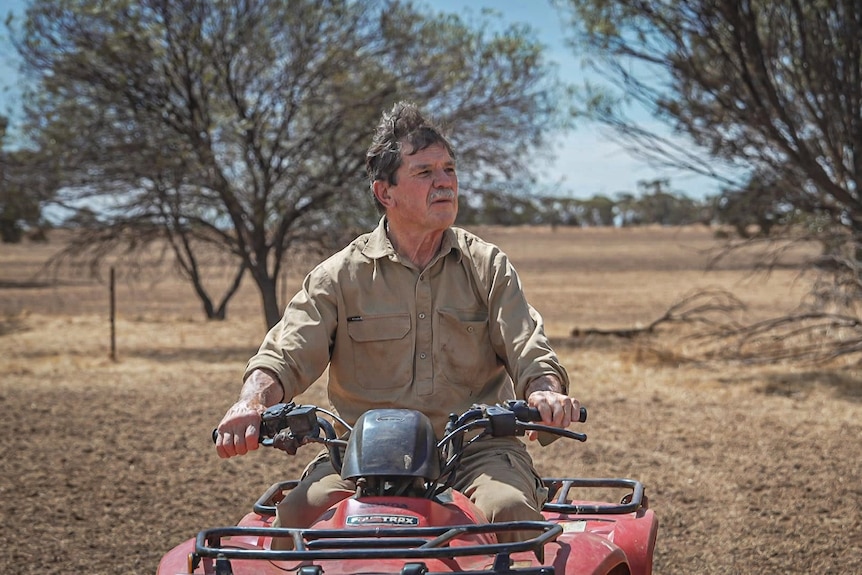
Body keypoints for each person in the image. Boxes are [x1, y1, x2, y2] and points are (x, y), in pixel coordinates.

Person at [214, 101, 580, 544]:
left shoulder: (487, 266)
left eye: (448, 169)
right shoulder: (339, 275)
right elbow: (285, 354)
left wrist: (545, 392)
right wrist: (251, 402)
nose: (444, 181)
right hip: (361, 458)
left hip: (475, 452)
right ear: (384, 192)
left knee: (510, 516)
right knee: (296, 520)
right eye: (425, 172)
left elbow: (529, 348)